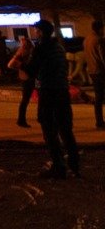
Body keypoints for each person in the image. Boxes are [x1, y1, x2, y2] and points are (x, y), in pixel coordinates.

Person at [30, 19, 80, 179]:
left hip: (48, 91)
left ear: (41, 32)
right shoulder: (59, 47)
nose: (34, 33)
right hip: (62, 91)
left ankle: (58, 166)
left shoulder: (41, 48)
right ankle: (74, 164)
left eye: (36, 30)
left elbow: (32, 70)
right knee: (65, 128)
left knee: (49, 129)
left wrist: (20, 65)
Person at [8, 36, 36, 127]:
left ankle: (22, 119)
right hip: (29, 77)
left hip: (27, 77)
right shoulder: (23, 52)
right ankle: (21, 119)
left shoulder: (25, 52)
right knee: (25, 99)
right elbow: (10, 65)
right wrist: (20, 66)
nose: (22, 44)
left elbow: (10, 65)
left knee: (26, 99)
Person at [84, 19, 105, 131]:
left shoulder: (87, 39)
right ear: (100, 28)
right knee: (100, 97)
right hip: (100, 71)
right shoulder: (98, 40)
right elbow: (102, 57)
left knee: (98, 97)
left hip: (92, 70)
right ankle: (100, 122)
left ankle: (99, 121)